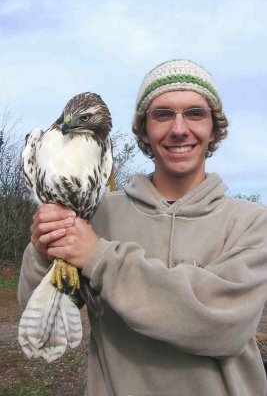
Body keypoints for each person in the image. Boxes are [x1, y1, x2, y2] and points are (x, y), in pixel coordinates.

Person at [18, 59, 267, 396]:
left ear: (214, 128)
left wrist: (98, 256)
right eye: (163, 114)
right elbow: (42, 306)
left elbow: (224, 327)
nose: (179, 129)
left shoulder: (252, 222)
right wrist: (43, 254)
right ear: (144, 129)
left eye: (195, 113)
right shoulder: (98, 214)